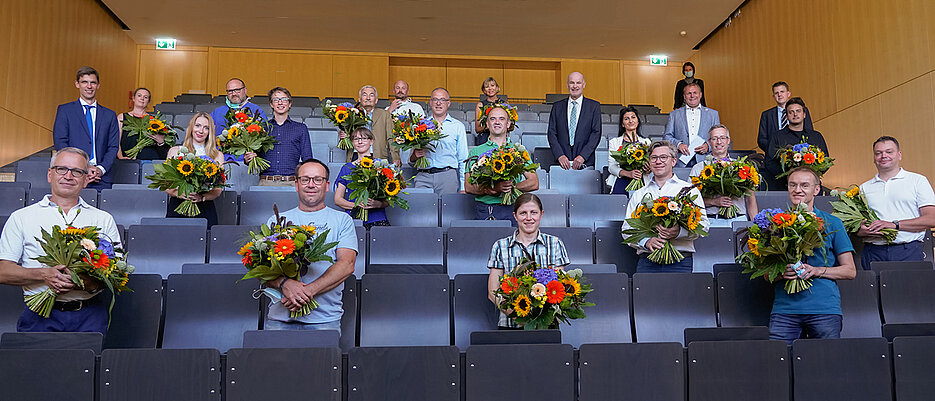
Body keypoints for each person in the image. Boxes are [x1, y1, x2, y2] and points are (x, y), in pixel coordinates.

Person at [0, 147, 121, 334]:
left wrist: (80, 282)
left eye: (77, 172)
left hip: (89, 316)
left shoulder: (103, 219)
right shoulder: (21, 217)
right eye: (61, 169)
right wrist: (44, 274)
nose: (68, 176)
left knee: (86, 364)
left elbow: (116, 274)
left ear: (85, 179)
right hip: (38, 315)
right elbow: (3, 272)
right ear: (50, 175)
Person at [263, 159, 357, 332]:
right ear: (297, 184)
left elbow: (347, 265)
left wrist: (306, 292)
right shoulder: (275, 221)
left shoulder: (343, 220)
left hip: (325, 320)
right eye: (305, 179)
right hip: (279, 318)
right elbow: (262, 268)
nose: (311, 184)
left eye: (317, 179)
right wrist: (285, 284)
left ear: (327, 185)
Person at [768, 167, 856, 344]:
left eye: (804, 185)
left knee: (825, 364)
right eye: (792, 185)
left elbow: (850, 271)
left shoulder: (832, 222)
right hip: (785, 310)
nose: (797, 190)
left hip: (824, 309)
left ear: (816, 190)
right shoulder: (775, 223)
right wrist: (780, 273)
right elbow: (764, 274)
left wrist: (816, 270)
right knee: (779, 365)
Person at [621, 140, 709, 273]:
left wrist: (679, 232)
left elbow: (704, 225)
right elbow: (627, 228)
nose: (658, 161)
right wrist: (646, 241)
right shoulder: (639, 194)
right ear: (649, 162)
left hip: (680, 260)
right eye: (654, 158)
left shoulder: (689, 190)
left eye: (663, 157)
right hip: (648, 260)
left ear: (673, 161)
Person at [486, 193, 570, 329]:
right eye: (523, 213)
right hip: (510, 325)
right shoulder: (500, 246)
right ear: (515, 215)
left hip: (546, 325)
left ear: (541, 214)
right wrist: (518, 316)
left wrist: (540, 317)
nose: (529, 218)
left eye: (534, 212)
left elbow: (560, 287)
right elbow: (492, 292)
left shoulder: (555, 243)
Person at [856, 136, 935, 270]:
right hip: (872, 252)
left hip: (907, 251)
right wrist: (860, 231)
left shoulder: (917, 181)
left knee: (909, 291)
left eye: (889, 152)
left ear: (899, 155)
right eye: (878, 153)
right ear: (874, 158)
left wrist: (894, 225)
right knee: (872, 291)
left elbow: (931, 219)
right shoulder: (864, 188)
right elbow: (857, 223)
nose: (883, 156)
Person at [465, 107, 539, 224]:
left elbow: (534, 182)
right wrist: (490, 189)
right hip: (485, 210)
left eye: (501, 119)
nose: (497, 122)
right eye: (493, 119)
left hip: (513, 209)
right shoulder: (475, 152)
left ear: (508, 124)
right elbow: (468, 187)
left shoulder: (518, 150)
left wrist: (510, 187)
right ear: (487, 124)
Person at [52, 66, 120, 191]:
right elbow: (61, 142)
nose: (89, 86)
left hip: (102, 177)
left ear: (98, 85)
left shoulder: (109, 115)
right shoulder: (65, 110)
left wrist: (101, 169)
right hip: (72, 176)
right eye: (84, 82)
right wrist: (83, 167)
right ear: (77, 84)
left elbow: (113, 146)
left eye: (93, 82)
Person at [689, 125, 758, 227]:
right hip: (712, 220)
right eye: (714, 138)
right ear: (709, 142)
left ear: (728, 141)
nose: (719, 142)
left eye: (722, 138)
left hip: (739, 219)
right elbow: (691, 200)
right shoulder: (698, 168)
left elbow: (750, 198)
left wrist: (755, 225)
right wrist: (714, 201)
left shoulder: (741, 167)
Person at [164, 112, 225, 228]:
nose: (201, 131)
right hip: (178, 205)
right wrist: (179, 193)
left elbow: (218, 189)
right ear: (191, 127)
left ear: (210, 132)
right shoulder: (175, 151)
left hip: (204, 207)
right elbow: (166, 185)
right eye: (197, 126)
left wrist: (201, 197)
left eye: (206, 128)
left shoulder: (217, 156)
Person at [245, 86, 312, 187]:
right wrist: (248, 158)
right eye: (276, 100)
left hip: (291, 183)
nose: (280, 103)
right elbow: (254, 155)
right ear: (271, 104)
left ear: (289, 104)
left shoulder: (301, 128)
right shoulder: (261, 128)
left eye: (284, 99)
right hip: (265, 182)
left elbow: (308, 159)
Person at [410, 87, 469, 194]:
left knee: (448, 210)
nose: (438, 103)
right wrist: (415, 155)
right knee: (422, 210)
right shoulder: (420, 125)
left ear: (448, 103)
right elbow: (411, 160)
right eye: (435, 99)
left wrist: (463, 186)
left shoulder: (457, 126)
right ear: (430, 102)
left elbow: (463, 159)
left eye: (442, 100)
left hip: (447, 177)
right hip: (423, 176)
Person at [763, 97, 829, 191]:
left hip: (812, 187)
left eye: (798, 111)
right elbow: (769, 163)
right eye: (791, 112)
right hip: (785, 187)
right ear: (786, 116)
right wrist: (789, 174)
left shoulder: (816, 136)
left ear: (804, 114)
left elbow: (826, 160)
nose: (795, 114)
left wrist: (811, 174)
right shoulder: (776, 136)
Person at [333, 127, 390, 229]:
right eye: (356, 139)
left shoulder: (380, 166)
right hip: (354, 219)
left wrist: (378, 204)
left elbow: (390, 200)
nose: (360, 142)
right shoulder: (347, 168)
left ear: (371, 141)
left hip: (377, 218)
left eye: (364, 138)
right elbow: (338, 199)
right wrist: (356, 205)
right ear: (352, 143)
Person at [547, 72, 602, 170]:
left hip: (586, 162)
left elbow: (596, 134)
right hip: (561, 163)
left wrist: (583, 156)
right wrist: (560, 155)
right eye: (572, 83)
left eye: (578, 83)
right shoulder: (557, 107)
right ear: (567, 85)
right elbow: (551, 133)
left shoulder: (594, 106)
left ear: (584, 85)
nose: (575, 86)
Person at [663, 82, 721, 168]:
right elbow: (666, 137)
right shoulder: (674, 115)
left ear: (700, 95)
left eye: (695, 93)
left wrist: (708, 146)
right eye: (689, 93)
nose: (692, 96)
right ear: (684, 96)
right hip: (681, 161)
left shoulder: (713, 114)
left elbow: (718, 137)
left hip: (705, 162)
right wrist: (678, 145)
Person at [338, 85, 399, 165]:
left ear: (376, 100)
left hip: (377, 156)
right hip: (355, 155)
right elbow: (344, 145)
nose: (368, 98)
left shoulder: (384, 114)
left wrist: (396, 157)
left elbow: (391, 138)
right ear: (359, 99)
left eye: (371, 95)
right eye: (364, 95)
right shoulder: (351, 114)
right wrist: (343, 136)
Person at [757, 81, 814, 153]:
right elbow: (761, 140)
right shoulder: (766, 115)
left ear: (788, 94)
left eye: (782, 91)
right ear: (773, 96)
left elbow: (809, 132)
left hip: (800, 156)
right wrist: (775, 151)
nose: (779, 95)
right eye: (776, 93)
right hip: (775, 158)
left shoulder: (801, 111)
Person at [117, 87, 169, 160]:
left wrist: (160, 140)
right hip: (127, 159)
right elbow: (116, 141)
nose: (142, 98)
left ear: (148, 102)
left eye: (145, 97)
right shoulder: (122, 117)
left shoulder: (154, 120)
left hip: (148, 158)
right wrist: (120, 157)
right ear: (133, 98)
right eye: (139, 95)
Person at [607, 106, 649, 194]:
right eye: (626, 119)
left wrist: (648, 168)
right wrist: (628, 173)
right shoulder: (614, 142)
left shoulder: (646, 142)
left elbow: (651, 164)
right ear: (622, 124)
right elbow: (611, 167)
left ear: (638, 121)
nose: (630, 121)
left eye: (633, 117)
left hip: (641, 179)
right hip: (622, 179)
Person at [473, 77, 503, 145]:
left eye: (492, 85)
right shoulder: (480, 105)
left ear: (497, 88)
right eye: (487, 87)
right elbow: (478, 129)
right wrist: (489, 126)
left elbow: (510, 127)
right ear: (484, 90)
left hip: (501, 138)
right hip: (485, 139)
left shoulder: (504, 104)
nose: (490, 88)